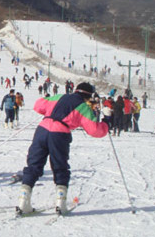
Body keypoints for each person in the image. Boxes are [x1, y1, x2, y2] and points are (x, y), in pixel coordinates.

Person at [17, 82, 109, 215]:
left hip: (42, 129)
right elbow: (95, 131)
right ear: (89, 96)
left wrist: (49, 111)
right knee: (60, 166)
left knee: (34, 164)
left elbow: (38, 105)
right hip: (60, 133)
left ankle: (23, 201)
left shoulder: (59, 96)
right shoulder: (83, 107)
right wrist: (106, 122)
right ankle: (60, 203)